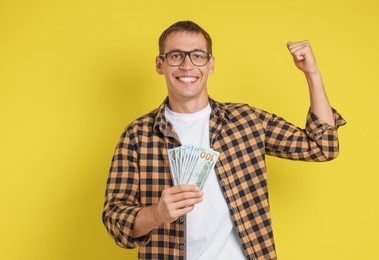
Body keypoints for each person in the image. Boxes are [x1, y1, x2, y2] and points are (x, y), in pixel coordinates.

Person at [102, 20, 346, 260]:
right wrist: (157, 214)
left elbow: (322, 146)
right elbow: (115, 219)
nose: (187, 65)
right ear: (160, 64)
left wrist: (312, 73)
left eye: (197, 56)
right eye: (176, 56)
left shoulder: (247, 121)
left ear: (210, 64)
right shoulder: (137, 135)